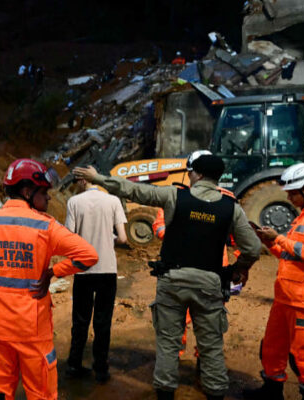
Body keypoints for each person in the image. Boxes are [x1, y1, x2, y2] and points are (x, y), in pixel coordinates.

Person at [73, 154, 260, 400]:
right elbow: (253, 248)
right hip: (210, 284)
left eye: (191, 172)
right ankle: (215, 393)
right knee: (212, 347)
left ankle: (165, 393)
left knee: (168, 345)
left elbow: (133, 190)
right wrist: (239, 268)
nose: (189, 176)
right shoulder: (231, 208)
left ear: (198, 174)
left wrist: (98, 178)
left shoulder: (174, 196)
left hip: (173, 281)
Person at [0, 158, 99, 400]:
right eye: (44, 192)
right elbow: (89, 255)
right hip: (32, 329)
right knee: (41, 394)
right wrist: (53, 272)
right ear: (28, 192)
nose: (48, 198)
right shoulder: (45, 227)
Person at [243, 163, 304, 400]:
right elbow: (289, 254)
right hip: (286, 296)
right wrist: (269, 242)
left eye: (293, 193)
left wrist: (278, 237)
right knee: (272, 347)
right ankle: (272, 391)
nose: (289, 198)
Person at [151, 151, 241, 367]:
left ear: (196, 173)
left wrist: (238, 267)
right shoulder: (182, 197)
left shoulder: (222, 200)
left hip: (199, 271)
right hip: (197, 270)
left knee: (205, 323)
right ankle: (178, 358)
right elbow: (159, 225)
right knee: (182, 321)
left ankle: (200, 363)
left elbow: (238, 238)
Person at [63, 175, 127, 382]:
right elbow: (123, 238)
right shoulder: (113, 201)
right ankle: (101, 368)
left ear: (83, 181)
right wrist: (108, 239)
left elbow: (68, 237)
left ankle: (74, 364)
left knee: (80, 321)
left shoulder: (74, 202)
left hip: (83, 270)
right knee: (103, 321)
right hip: (107, 269)